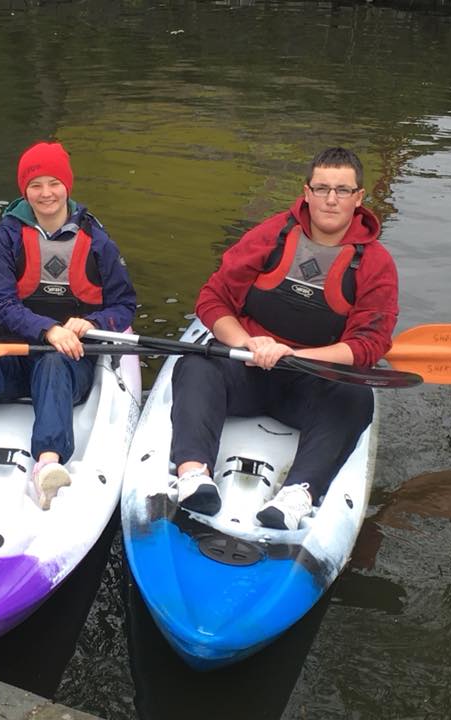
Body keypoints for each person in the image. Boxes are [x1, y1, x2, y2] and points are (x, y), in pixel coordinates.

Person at [170, 147, 398, 530]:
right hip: (249, 368)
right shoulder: (271, 235)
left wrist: (296, 354)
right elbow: (213, 298)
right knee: (194, 363)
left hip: (311, 381)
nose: (331, 199)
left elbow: (368, 345)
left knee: (356, 397)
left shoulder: (375, 264)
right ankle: (193, 473)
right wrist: (246, 342)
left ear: (359, 198)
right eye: (322, 188)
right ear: (306, 191)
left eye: (342, 190)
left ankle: (298, 494)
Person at [0, 141, 137, 509]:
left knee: (53, 362)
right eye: (36, 185)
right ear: (25, 190)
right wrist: (47, 329)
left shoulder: (97, 240)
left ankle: (48, 465)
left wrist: (91, 323)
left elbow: (125, 306)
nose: (46, 193)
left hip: (69, 360)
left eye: (54, 183)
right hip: (15, 348)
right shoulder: (7, 235)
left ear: (67, 186)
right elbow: (1, 303)